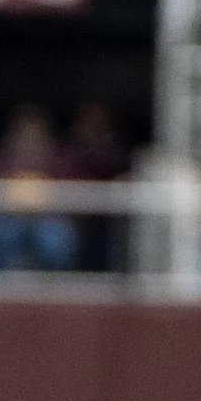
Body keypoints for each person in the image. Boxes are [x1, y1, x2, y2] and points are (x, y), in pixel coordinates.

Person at [49, 101, 135, 278]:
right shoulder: (69, 152)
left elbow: (123, 178)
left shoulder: (116, 154)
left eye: (100, 123)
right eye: (91, 123)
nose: (96, 127)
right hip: (69, 218)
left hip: (105, 222)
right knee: (54, 238)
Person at [0, 104, 65, 272]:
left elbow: (74, 200)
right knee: (3, 234)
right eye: (24, 135)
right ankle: (5, 289)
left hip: (47, 220)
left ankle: (53, 289)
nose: (29, 140)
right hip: (9, 219)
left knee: (53, 239)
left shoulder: (59, 164)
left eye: (34, 135)